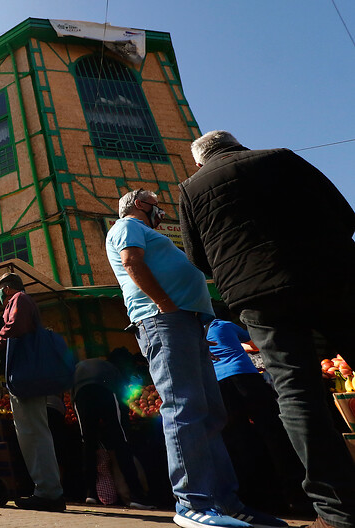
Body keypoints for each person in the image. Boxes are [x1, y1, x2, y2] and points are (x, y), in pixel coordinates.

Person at [179, 130, 355, 528]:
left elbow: (197, 257)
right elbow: (343, 212)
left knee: (296, 392)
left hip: (259, 294)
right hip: (332, 274)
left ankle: (337, 510)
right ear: (237, 144)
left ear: (199, 161)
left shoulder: (192, 188)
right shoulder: (280, 156)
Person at [105, 189, 285, 528]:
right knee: (184, 408)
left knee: (211, 413)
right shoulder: (127, 225)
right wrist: (166, 305)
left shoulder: (149, 232)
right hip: (164, 321)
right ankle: (192, 504)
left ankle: (226, 504)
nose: (159, 207)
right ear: (138, 205)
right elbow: (132, 262)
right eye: (153, 201)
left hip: (188, 322)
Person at [0, 272, 66, 512]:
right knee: (32, 433)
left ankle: (49, 493)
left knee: (33, 433)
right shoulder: (21, 303)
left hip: (27, 379)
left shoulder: (19, 298)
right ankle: (47, 490)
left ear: (6, 289)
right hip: (24, 378)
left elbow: (13, 327)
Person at [206, 315, 306, 511]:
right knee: (273, 431)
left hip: (219, 385)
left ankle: (254, 496)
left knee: (239, 438)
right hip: (246, 377)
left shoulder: (196, 333)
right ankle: (294, 491)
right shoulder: (224, 325)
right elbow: (254, 343)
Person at [71, 358, 153, 509]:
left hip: (81, 393)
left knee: (88, 443)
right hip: (105, 389)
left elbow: (73, 395)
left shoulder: (79, 369)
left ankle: (91, 494)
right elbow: (122, 398)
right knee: (120, 442)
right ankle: (136, 495)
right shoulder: (112, 369)